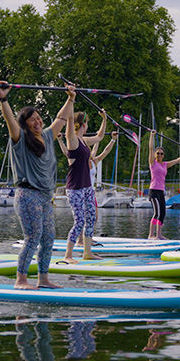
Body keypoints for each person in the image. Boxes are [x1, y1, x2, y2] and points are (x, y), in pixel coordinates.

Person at [0, 80, 76, 290]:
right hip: (27, 195)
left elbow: (61, 117)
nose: (37, 122)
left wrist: (70, 98)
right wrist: (3, 98)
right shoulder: (20, 138)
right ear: (26, 124)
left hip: (45, 197)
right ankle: (21, 280)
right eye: (32, 120)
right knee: (33, 237)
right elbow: (9, 119)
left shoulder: (49, 135)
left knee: (49, 238)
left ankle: (43, 278)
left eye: (39, 118)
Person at [60, 110, 108, 262]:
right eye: (87, 123)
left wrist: (105, 119)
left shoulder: (84, 141)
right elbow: (68, 131)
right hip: (74, 188)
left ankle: (87, 252)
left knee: (91, 218)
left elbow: (100, 136)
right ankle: (68, 255)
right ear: (83, 124)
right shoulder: (72, 140)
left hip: (87, 187)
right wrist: (71, 102)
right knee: (79, 221)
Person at [57, 131, 118, 248]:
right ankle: (80, 241)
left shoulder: (93, 161)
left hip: (90, 192)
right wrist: (60, 140)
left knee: (94, 218)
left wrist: (112, 140)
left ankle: (88, 239)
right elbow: (66, 152)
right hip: (80, 189)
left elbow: (105, 151)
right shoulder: (80, 162)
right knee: (81, 219)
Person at [147, 130, 180, 240]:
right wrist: (152, 136)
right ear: (155, 155)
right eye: (158, 153)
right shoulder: (153, 163)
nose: (160, 155)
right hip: (153, 191)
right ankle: (150, 235)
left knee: (162, 213)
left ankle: (159, 235)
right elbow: (151, 148)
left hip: (161, 191)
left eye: (161, 154)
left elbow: (177, 160)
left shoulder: (165, 164)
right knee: (157, 213)